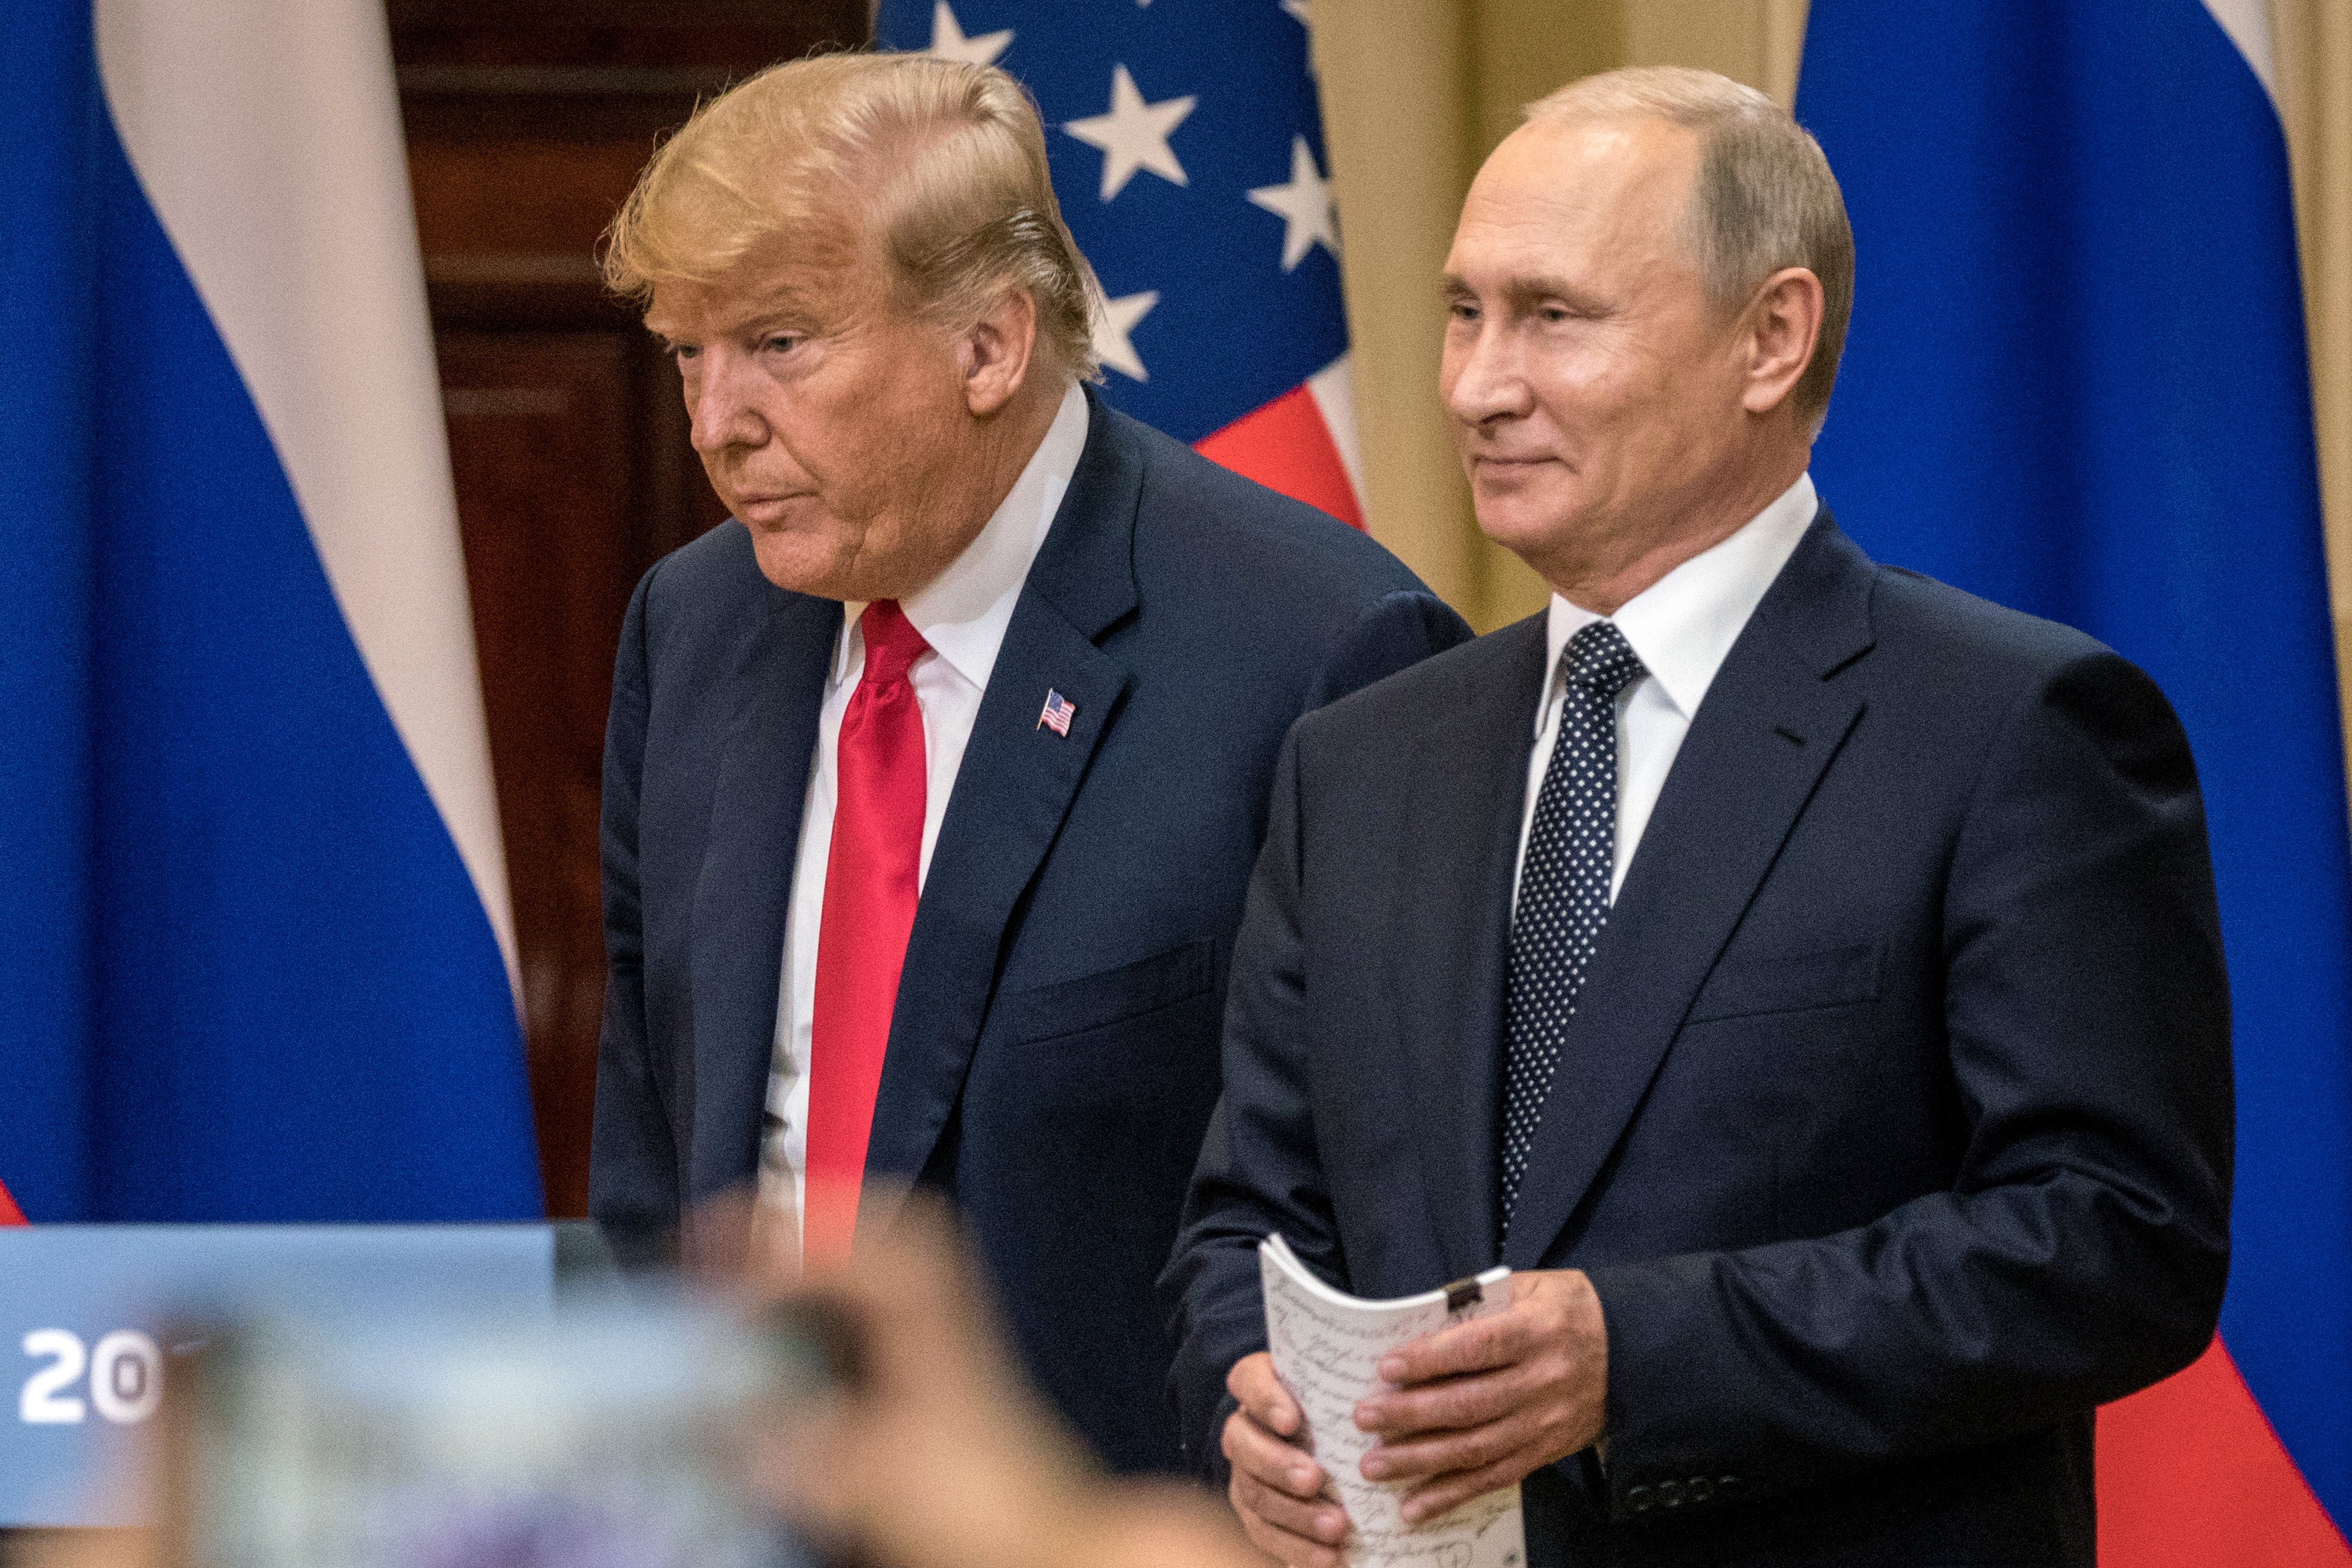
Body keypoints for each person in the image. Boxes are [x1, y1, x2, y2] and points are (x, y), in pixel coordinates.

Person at [1163, 66, 2232, 1567]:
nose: (1477, 383)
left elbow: (2118, 1240)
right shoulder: (1358, 758)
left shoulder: (2013, 729)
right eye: (1465, 311)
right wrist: (1247, 1402)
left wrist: (1642, 1357)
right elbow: (1247, 1223)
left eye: (1554, 315)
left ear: (1769, 336)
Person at [586, 50, 1470, 1477]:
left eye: (779, 344)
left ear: (990, 345)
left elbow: (1377, 1219)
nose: (714, 422)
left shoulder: (1321, 653)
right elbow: (650, 1149)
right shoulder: (695, 624)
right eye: (689, 353)